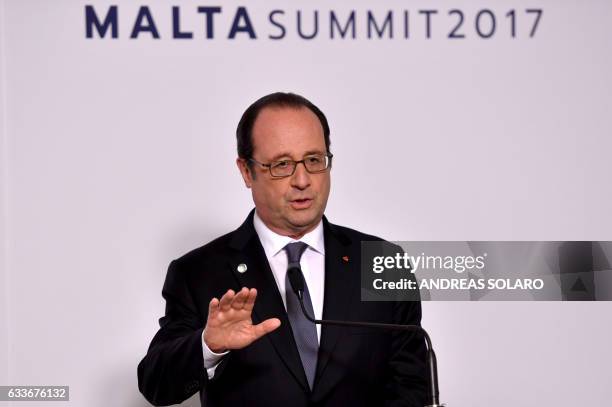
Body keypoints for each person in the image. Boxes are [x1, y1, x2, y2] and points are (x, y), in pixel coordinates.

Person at [137, 92, 427, 406]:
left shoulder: (381, 262)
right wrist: (208, 346)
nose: (302, 180)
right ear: (247, 171)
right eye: (282, 165)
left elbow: (412, 388)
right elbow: (156, 384)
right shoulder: (199, 272)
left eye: (314, 160)